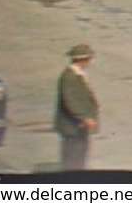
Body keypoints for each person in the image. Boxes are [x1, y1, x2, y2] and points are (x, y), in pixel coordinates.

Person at [55, 44, 99, 172]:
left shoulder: (77, 74)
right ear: (82, 60)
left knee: (79, 154)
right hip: (72, 126)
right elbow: (70, 100)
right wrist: (84, 117)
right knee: (73, 156)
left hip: (78, 126)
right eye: (88, 59)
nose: (89, 62)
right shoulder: (69, 77)